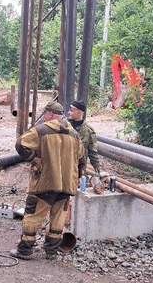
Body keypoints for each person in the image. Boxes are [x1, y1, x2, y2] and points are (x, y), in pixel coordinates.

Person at [10, 102, 85, 260]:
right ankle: (51, 251)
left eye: (45, 114)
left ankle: (25, 250)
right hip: (66, 185)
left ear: (50, 114)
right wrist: (78, 176)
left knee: (33, 214)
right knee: (58, 217)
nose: (44, 117)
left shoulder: (41, 130)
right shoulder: (74, 134)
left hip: (45, 183)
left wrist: (33, 159)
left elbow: (20, 144)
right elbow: (82, 159)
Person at [67, 100, 101, 176]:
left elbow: (93, 153)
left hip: (78, 169)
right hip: (63, 166)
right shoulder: (64, 125)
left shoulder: (88, 131)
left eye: (71, 110)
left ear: (79, 112)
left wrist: (98, 171)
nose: (69, 112)